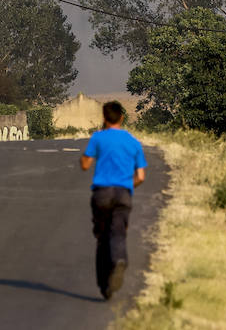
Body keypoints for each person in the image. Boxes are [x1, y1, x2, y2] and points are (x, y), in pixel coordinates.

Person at [79, 100, 147, 300]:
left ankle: (104, 285)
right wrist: (127, 185)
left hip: (102, 194)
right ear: (122, 118)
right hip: (123, 193)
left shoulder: (98, 138)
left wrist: (90, 153)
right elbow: (141, 177)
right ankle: (119, 260)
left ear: (104, 118)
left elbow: (85, 164)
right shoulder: (133, 142)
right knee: (118, 233)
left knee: (101, 238)